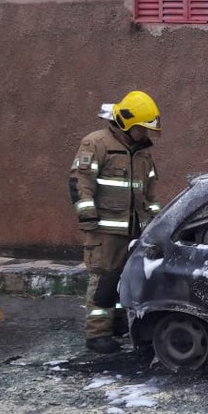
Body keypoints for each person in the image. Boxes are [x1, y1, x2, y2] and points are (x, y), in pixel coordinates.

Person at [69, 90, 162, 353]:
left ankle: (118, 324)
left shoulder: (143, 154)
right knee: (104, 281)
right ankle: (97, 334)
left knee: (125, 280)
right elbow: (80, 183)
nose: (145, 135)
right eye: (141, 129)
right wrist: (87, 214)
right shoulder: (96, 143)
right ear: (126, 123)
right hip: (105, 230)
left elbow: (150, 191)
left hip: (135, 231)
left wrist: (155, 220)